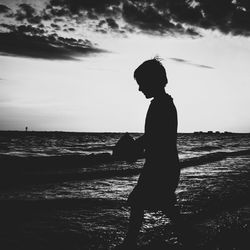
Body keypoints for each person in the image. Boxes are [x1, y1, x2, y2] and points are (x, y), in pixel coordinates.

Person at [118, 58, 180, 248]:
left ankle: (129, 243)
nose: (139, 89)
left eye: (141, 84)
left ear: (152, 81)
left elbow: (155, 137)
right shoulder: (164, 103)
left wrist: (133, 148)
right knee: (165, 206)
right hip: (164, 165)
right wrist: (138, 147)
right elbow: (154, 137)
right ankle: (191, 236)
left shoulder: (161, 105)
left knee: (137, 202)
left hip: (160, 166)